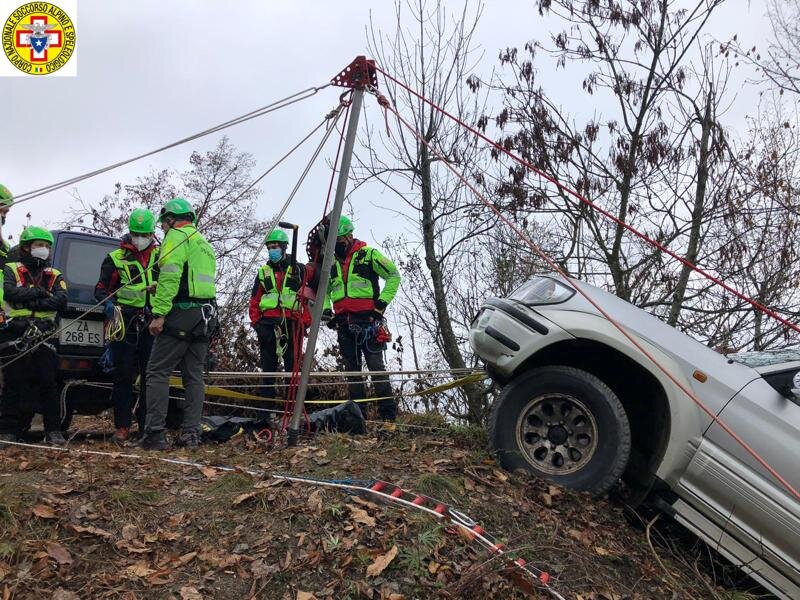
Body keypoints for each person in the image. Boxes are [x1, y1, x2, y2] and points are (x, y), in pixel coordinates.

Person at [140, 198, 216, 450]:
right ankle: (191, 433)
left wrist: (159, 313)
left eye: (164, 222)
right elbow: (192, 280)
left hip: (179, 314)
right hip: (203, 316)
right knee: (193, 376)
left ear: (171, 219)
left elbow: (172, 275)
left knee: (157, 372)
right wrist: (159, 286)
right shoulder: (203, 243)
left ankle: (155, 434)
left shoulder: (176, 237)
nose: (162, 227)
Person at [325, 215, 401, 421]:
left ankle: (388, 418)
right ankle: (358, 419)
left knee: (377, 369)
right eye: (335, 240)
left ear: (350, 236)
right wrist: (326, 311)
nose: (338, 244)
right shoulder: (330, 262)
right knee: (352, 373)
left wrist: (381, 304)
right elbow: (324, 288)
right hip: (342, 323)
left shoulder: (368, 254)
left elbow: (394, 275)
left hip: (368, 322)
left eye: (340, 239)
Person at [95, 208, 159, 444]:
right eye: (136, 233)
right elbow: (101, 290)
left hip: (153, 322)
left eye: (144, 234)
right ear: (130, 233)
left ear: (152, 233)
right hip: (126, 322)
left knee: (150, 377)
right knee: (123, 376)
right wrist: (111, 308)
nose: (140, 238)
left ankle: (146, 426)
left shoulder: (162, 256)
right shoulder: (115, 258)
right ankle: (122, 426)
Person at [0, 227, 68, 445]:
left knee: (48, 382)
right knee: (13, 383)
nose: (44, 250)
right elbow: (10, 293)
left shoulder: (54, 274)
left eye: (47, 246)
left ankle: (54, 431)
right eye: (40, 245)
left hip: (44, 333)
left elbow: (61, 300)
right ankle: (8, 431)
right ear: (27, 247)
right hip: (16, 331)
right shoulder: (11, 269)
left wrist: (30, 300)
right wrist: (38, 293)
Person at [248, 229, 307, 401]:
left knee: (293, 369)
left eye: (275, 247)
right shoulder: (263, 272)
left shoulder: (298, 269)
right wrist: (256, 324)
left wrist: (305, 322)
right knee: (268, 370)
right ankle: (266, 413)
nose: (272, 250)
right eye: (269, 247)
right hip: (267, 324)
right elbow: (254, 300)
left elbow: (308, 297)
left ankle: (292, 410)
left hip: (291, 323)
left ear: (283, 248)